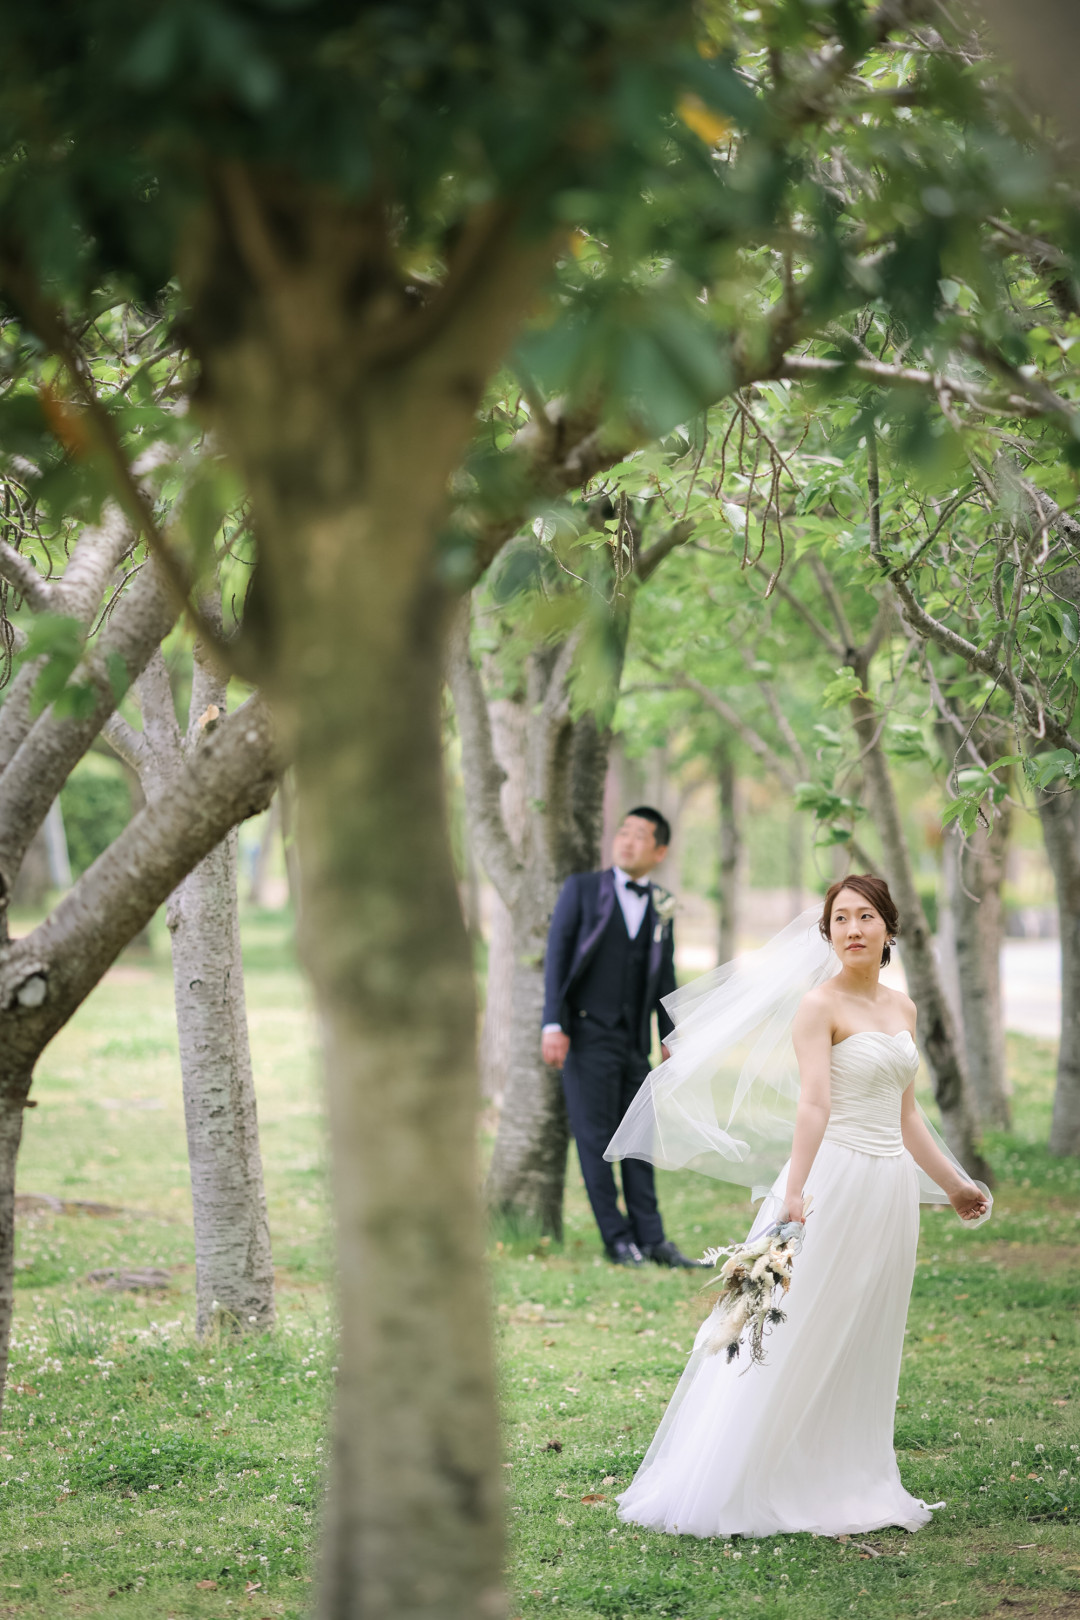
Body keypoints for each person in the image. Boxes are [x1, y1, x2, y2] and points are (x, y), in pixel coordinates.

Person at [606, 875, 991, 1538]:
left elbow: (906, 1116)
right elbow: (814, 1103)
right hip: (830, 1181)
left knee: (864, 1330)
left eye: (865, 916)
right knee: (798, 1324)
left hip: (889, 1191)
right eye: (840, 918)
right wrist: (794, 1194)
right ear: (828, 933)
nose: (853, 929)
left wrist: (954, 1184)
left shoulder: (902, 1009)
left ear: (888, 928)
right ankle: (746, 1474)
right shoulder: (818, 1006)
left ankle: (844, 1475)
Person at [541, 806, 702, 1268]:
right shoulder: (582, 889)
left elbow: (664, 975)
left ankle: (653, 1240)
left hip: (634, 1044)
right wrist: (553, 1024)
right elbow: (557, 957)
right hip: (586, 1037)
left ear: (659, 851)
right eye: (624, 832)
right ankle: (617, 1241)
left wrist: (669, 1037)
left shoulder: (662, 904)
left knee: (640, 1142)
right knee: (595, 1143)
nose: (627, 841)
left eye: (639, 835)